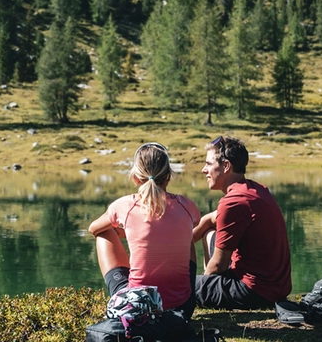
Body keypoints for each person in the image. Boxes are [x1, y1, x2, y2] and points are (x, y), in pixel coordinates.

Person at [89, 142, 201, 317]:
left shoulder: (125, 205)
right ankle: (184, 291)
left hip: (138, 308)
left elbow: (93, 228)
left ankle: (128, 290)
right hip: (183, 308)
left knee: (104, 233)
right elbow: (191, 224)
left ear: (135, 178)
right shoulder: (187, 205)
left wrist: (126, 232)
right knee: (188, 237)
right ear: (168, 177)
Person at [193, 135, 292, 309]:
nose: (203, 170)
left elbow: (218, 265)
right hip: (277, 288)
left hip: (255, 292)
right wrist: (183, 241)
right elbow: (210, 219)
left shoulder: (233, 202)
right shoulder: (255, 189)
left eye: (208, 164)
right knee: (210, 234)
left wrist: (205, 284)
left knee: (183, 287)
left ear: (226, 166)